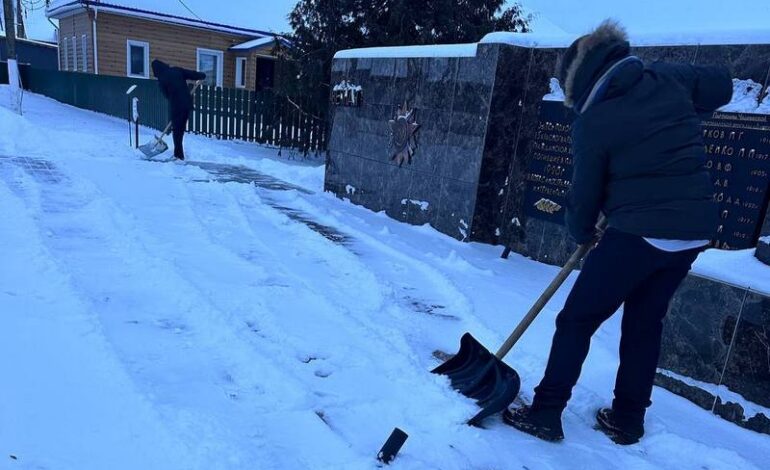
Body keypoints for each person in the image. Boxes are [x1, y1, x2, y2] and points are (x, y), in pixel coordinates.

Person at [503, 20, 732, 445]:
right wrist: (677, 103)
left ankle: (546, 412)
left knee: (576, 320)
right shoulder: (666, 78)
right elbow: (721, 85)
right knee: (645, 324)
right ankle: (628, 419)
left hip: (637, 232)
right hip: (691, 233)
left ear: (577, 80)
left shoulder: (593, 120)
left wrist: (582, 233)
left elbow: (584, 194)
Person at [151, 60, 206, 160]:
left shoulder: (162, 80)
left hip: (176, 106)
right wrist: (202, 75)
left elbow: (166, 95)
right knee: (180, 129)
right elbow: (191, 74)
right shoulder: (177, 70)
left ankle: (178, 155)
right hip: (187, 104)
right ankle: (179, 154)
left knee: (177, 131)